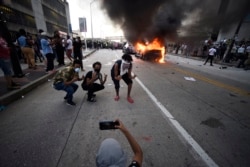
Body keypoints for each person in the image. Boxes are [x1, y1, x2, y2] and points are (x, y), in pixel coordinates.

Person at [0, 26, 20, 90]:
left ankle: (11, 83)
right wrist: (7, 48)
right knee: (7, 72)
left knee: (9, 71)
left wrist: (8, 48)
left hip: (6, 56)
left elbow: (5, 46)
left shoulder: (2, 38)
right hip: (2, 57)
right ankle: (9, 85)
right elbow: (3, 47)